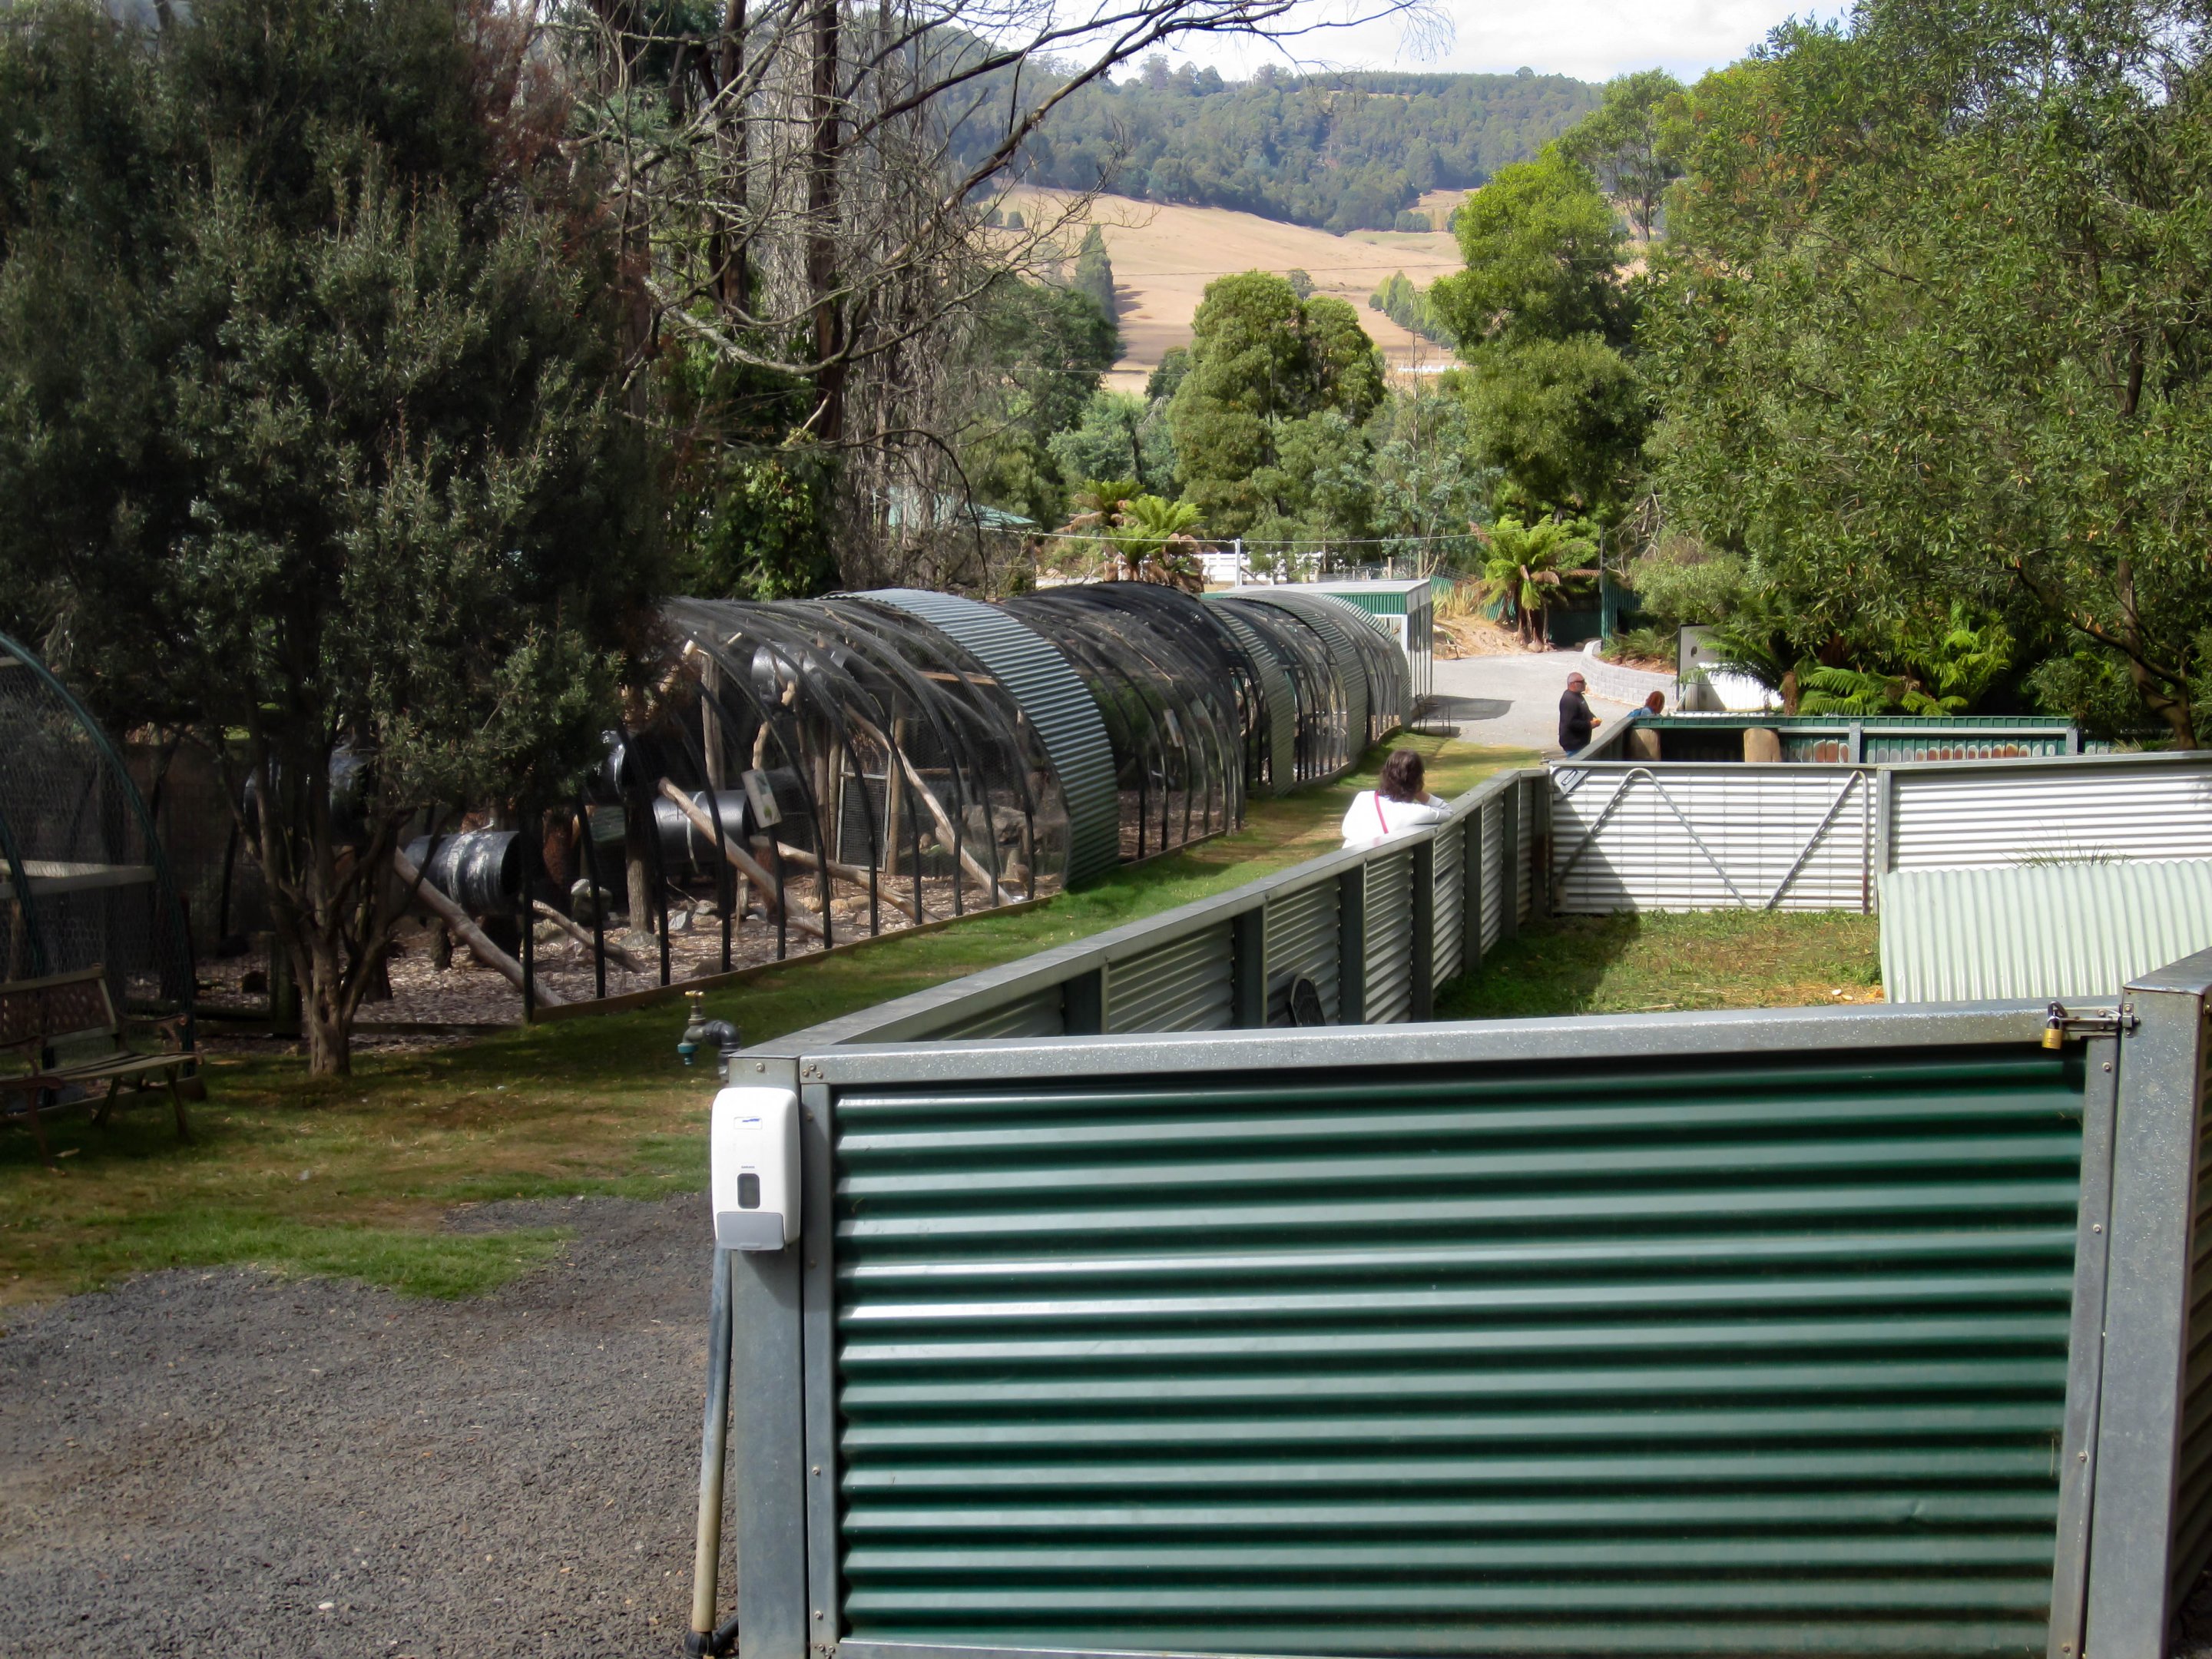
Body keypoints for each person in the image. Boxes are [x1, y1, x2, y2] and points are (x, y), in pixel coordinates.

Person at [1342, 748, 1450, 849]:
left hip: (1348, 865)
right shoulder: (1414, 812)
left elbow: (1346, 830)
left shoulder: (1363, 798)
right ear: (1418, 780)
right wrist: (1420, 793)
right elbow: (1448, 812)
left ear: (1385, 774)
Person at [1558, 672, 1600, 755]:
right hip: (1573, 744)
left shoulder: (1577, 695)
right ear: (1573, 684)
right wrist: (1589, 725)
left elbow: (1585, 711)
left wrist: (1593, 718)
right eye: (1582, 682)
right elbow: (1570, 723)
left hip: (1581, 743)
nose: (1585, 684)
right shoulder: (1569, 700)